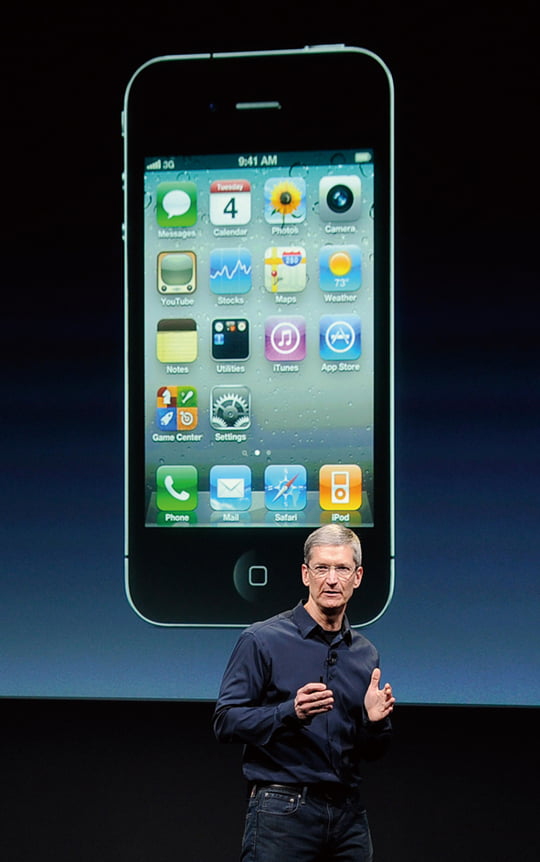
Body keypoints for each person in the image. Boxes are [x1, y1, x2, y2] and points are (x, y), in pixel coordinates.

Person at [213, 524, 395, 862]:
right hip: (283, 810)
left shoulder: (365, 654)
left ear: (357, 577)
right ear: (305, 574)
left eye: (342, 568)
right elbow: (226, 721)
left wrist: (375, 722)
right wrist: (289, 712)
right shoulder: (262, 639)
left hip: (348, 814)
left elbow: (372, 751)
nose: (331, 579)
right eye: (322, 568)